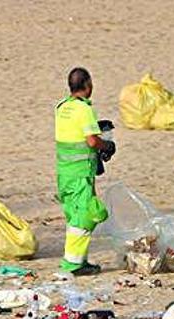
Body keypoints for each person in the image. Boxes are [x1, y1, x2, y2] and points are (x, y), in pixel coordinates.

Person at [53, 67, 116, 276]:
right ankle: (73, 263)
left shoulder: (62, 107)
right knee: (86, 217)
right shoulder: (84, 110)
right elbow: (91, 140)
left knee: (74, 216)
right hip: (81, 174)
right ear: (88, 84)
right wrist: (106, 145)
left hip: (64, 173)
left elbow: (73, 133)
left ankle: (80, 259)